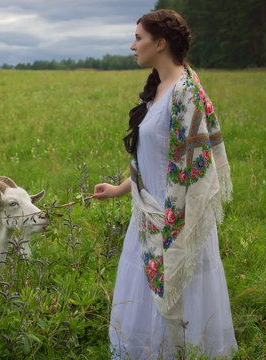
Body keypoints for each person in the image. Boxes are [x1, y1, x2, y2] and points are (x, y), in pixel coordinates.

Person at [92, 9, 238, 359]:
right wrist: (119, 189)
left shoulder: (185, 93)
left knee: (182, 313)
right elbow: (153, 163)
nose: (132, 45)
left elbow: (191, 171)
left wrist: (173, 223)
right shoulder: (157, 89)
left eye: (138, 38)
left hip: (178, 225)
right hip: (146, 222)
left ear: (160, 43)